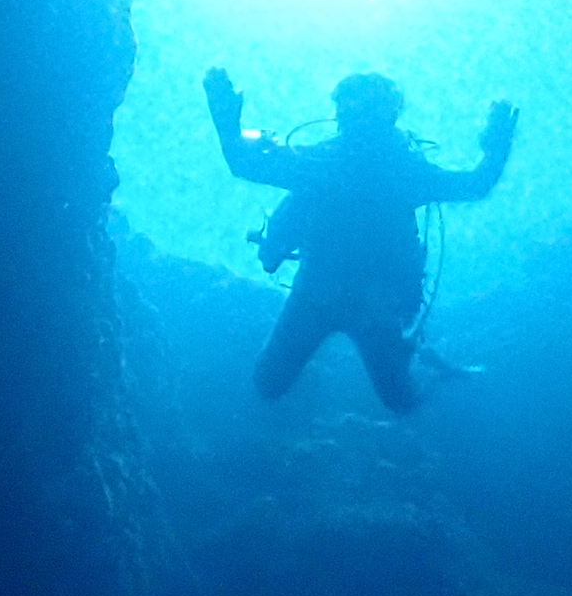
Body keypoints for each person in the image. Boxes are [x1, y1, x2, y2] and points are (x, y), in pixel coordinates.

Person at [205, 65, 517, 410]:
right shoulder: (400, 170)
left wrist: (224, 116)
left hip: (328, 296)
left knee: (273, 383)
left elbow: (244, 163)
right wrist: (496, 147)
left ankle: (426, 364)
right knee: (398, 400)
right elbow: (475, 185)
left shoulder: (322, 163)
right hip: (363, 303)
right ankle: (425, 364)